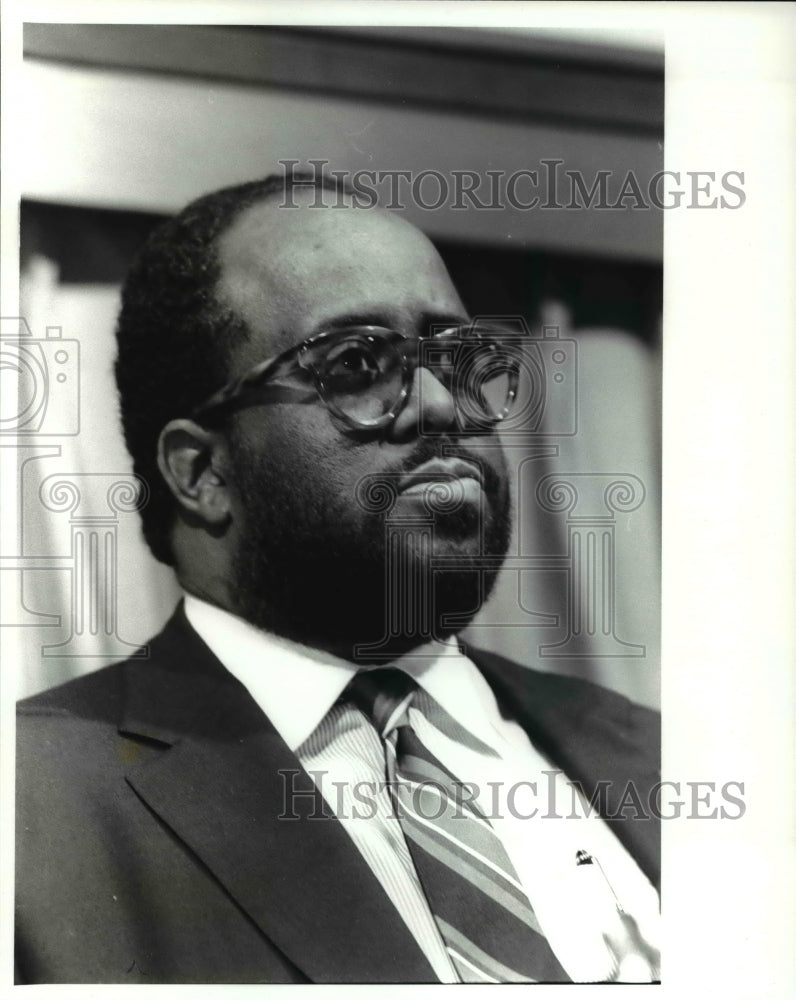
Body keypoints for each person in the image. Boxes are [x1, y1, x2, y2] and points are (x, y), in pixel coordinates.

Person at [15, 172, 660, 984]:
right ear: (202, 472)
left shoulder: (654, 751)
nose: (440, 404)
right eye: (357, 362)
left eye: (462, 359)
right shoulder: (33, 811)